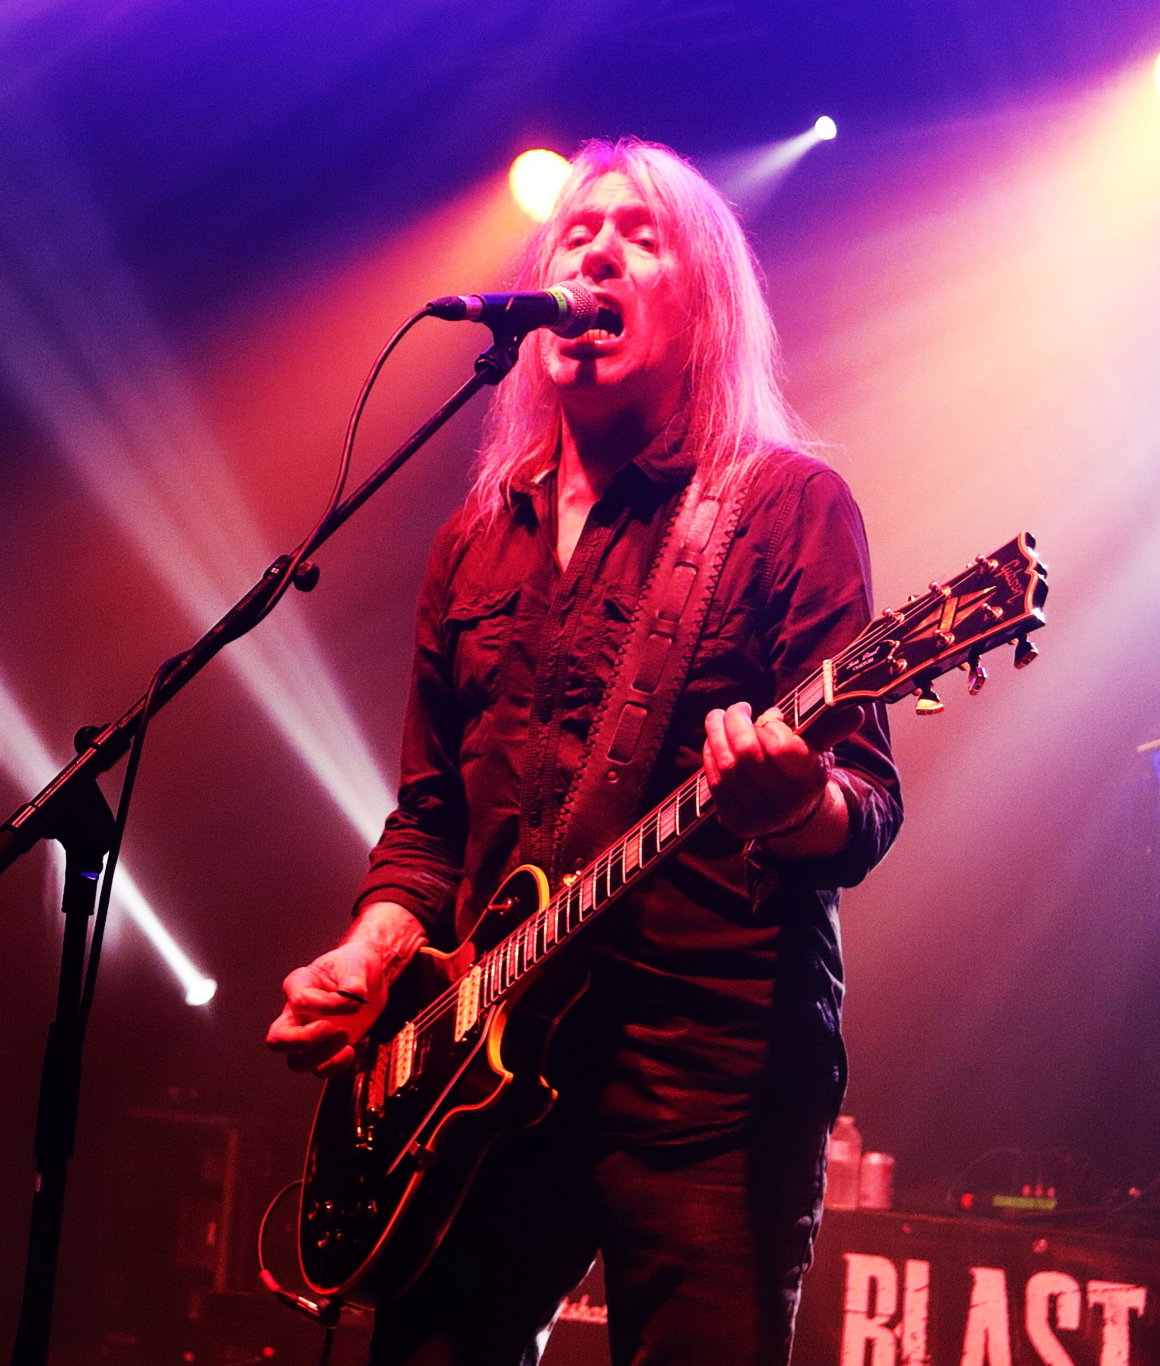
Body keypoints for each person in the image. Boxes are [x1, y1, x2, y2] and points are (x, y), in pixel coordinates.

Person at [266, 138, 903, 1365]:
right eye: (576, 231)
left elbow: (863, 806)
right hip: (478, 1072)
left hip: (705, 1075)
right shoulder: (472, 541)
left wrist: (791, 805)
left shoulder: (783, 508)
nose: (596, 249)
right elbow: (429, 824)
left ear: (703, 306)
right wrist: (367, 951)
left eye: (639, 237)